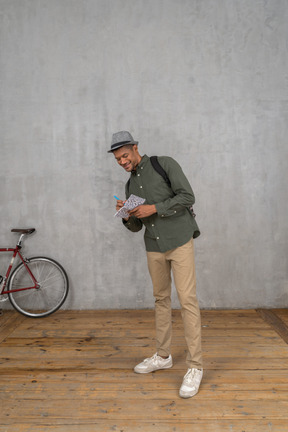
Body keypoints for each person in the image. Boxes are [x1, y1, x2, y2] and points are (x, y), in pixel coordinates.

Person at [108, 130, 203, 398]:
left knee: (187, 301)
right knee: (161, 299)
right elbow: (137, 227)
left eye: (124, 155)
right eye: (117, 159)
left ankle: (195, 367)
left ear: (135, 148)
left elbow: (187, 197)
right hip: (153, 246)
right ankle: (163, 356)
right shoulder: (130, 186)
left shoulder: (164, 164)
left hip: (180, 241)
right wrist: (126, 216)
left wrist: (155, 208)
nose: (122, 161)